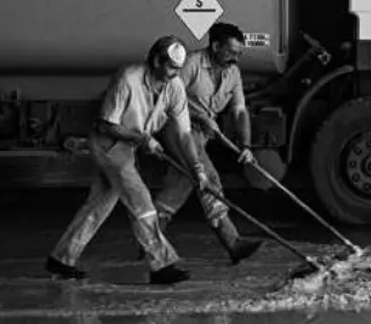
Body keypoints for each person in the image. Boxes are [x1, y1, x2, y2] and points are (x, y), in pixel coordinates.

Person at [46, 35, 209, 285]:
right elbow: (106, 125)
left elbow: (184, 134)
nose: (175, 74)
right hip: (108, 144)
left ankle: (61, 258)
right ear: (156, 61)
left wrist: (197, 168)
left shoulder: (174, 86)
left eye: (178, 69)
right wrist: (143, 139)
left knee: (98, 205)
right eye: (171, 68)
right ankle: (161, 264)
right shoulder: (128, 78)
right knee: (140, 201)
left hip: (128, 146)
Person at [151, 23, 264, 265]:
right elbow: (168, 97)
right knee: (208, 178)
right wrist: (201, 117)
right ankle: (232, 242)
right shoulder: (192, 63)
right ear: (215, 46)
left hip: (201, 135)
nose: (235, 58)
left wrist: (246, 146)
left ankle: (150, 240)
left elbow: (239, 110)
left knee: (180, 183)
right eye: (230, 52)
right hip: (177, 129)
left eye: (239, 53)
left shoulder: (233, 72)